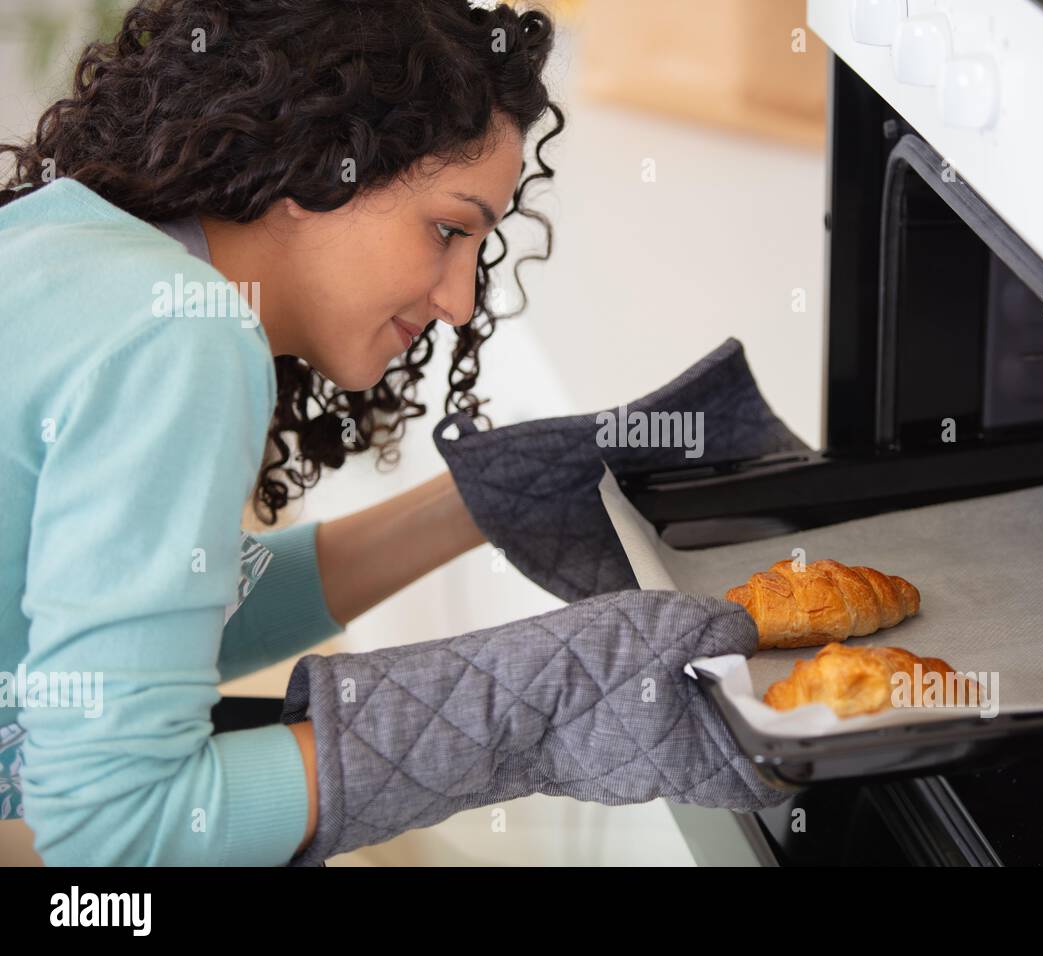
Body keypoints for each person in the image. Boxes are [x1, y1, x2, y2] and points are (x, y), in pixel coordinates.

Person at [0, 0, 801, 866]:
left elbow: (135, 628)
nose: (460, 301)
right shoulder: (182, 338)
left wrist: (480, 502)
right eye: (449, 231)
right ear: (316, 166)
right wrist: (530, 700)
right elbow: (118, 832)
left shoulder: (62, 242)